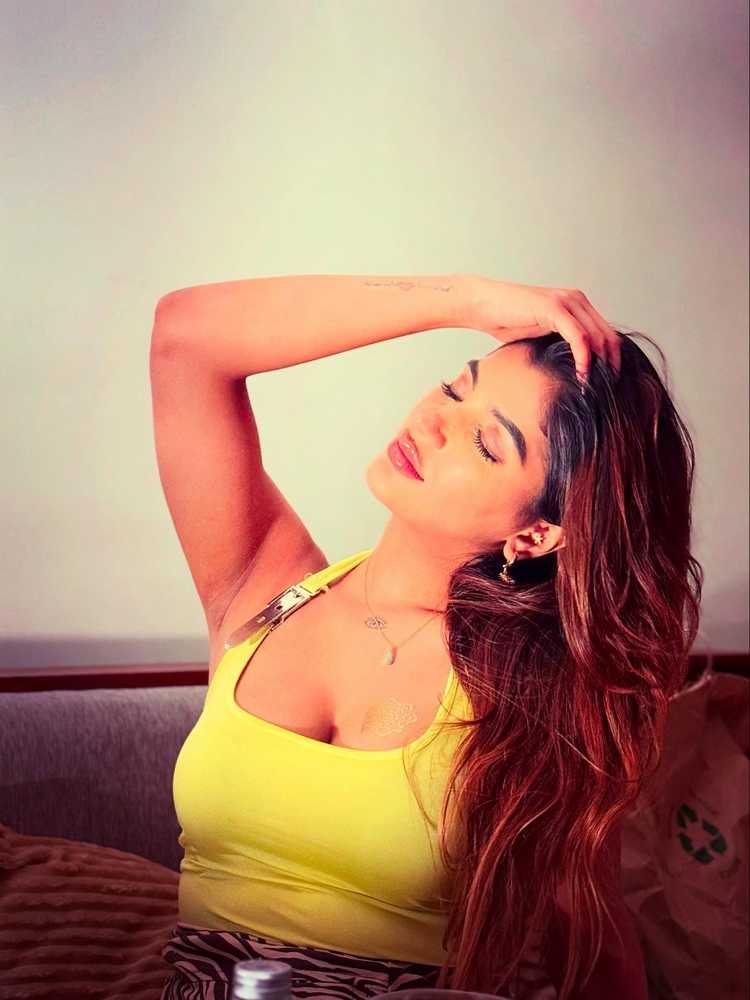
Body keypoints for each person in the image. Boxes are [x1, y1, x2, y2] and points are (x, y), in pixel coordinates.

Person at [149, 273, 702, 999]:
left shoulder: (537, 695)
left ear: (538, 532)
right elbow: (186, 337)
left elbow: (593, 937)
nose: (434, 421)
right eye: (454, 387)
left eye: (486, 442)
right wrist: (465, 302)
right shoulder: (263, 589)